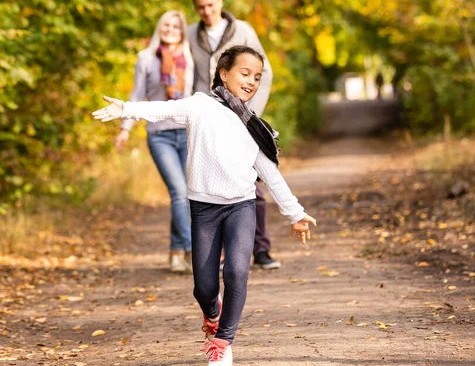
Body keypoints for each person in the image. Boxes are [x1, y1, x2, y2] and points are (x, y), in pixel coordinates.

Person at [93, 45, 317, 366]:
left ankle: (223, 342)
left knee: (238, 272)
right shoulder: (199, 106)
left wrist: (295, 213)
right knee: (204, 286)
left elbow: (269, 173)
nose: (252, 81)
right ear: (224, 73)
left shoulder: (252, 125)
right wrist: (127, 109)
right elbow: (163, 109)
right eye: (245, 73)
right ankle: (213, 315)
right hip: (204, 209)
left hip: (241, 206)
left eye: (257, 76)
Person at [188, 0, 280, 270]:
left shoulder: (242, 30)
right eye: (201, 7)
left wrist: (250, 113)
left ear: (220, 2)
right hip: (209, 119)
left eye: (210, 5)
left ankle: (261, 249)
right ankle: (222, 254)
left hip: (242, 116)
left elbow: (265, 72)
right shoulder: (192, 35)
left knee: (252, 183)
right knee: (214, 184)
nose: (207, 11)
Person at [114, 10, 194, 273]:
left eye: (175, 26)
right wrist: (125, 128)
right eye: (166, 25)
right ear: (160, 28)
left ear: (182, 31)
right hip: (159, 135)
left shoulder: (189, 58)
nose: (170, 29)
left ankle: (175, 253)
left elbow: (196, 97)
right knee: (179, 193)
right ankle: (195, 250)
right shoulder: (146, 58)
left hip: (187, 132)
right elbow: (137, 95)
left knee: (186, 194)